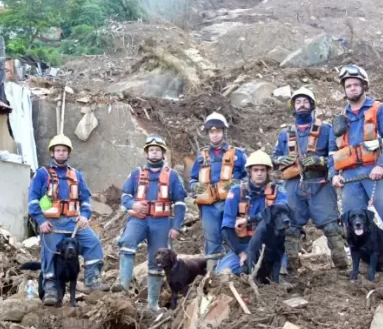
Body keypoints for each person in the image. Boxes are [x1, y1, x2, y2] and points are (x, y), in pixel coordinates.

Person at [330, 65, 383, 278]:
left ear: (364, 86)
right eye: (348, 85)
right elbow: (334, 150)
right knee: (353, 224)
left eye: (356, 84)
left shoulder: (380, 110)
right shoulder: (341, 118)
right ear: (344, 90)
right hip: (350, 178)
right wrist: (334, 174)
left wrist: (381, 165)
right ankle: (364, 265)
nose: (352, 88)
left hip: (378, 173)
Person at [272, 87, 348, 271]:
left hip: (320, 184)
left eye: (306, 101)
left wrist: (320, 160)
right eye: (298, 102)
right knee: (290, 228)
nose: (302, 105)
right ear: (293, 107)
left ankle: (343, 267)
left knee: (331, 227)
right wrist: (281, 159)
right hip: (293, 185)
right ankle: (291, 269)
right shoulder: (285, 135)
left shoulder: (326, 129)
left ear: (312, 105)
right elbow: (273, 158)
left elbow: (337, 156)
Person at [28, 134, 106, 306]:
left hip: (74, 224)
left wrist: (85, 215)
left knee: (93, 243)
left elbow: (85, 198)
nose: (61, 153)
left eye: (64, 150)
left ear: (68, 153)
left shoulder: (76, 175)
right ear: (52, 153)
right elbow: (33, 199)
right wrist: (41, 221)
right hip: (52, 224)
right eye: (58, 150)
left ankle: (92, 280)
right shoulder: (42, 174)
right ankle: (50, 288)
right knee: (49, 254)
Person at [115, 135, 187, 311]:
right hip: (139, 219)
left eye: (158, 150)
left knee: (158, 260)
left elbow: (180, 203)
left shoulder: (172, 176)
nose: (154, 153)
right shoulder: (136, 174)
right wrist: (134, 205)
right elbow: (125, 196)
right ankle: (123, 289)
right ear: (146, 153)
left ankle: (152, 305)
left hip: (161, 221)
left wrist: (176, 226)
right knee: (127, 243)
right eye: (151, 150)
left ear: (163, 153)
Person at [189, 112, 247, 273]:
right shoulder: (201, 157)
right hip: (208, 207)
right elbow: (193, 179)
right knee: (212, 240)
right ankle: (212, 276)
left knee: (233, 236)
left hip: (230, 204)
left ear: (224, 132)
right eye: (211, 132)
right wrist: (194, 187)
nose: (215, 135)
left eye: (218, 131)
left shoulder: (238, 154)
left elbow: (251, 177)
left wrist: (239, 183)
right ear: (207, 133)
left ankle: (235, 272)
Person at [216, 150, 288, 275]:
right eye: (255, 170)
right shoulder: (236, 191)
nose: (259, 174)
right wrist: (241, 253)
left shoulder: (278, 191)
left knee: (275, 276)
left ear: (267, 172)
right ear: (249, 172)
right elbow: (226, 228)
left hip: (269, 246)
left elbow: (281, 209)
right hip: (244, 245)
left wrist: (250, 219)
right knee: (223, 274)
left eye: (262, 170)